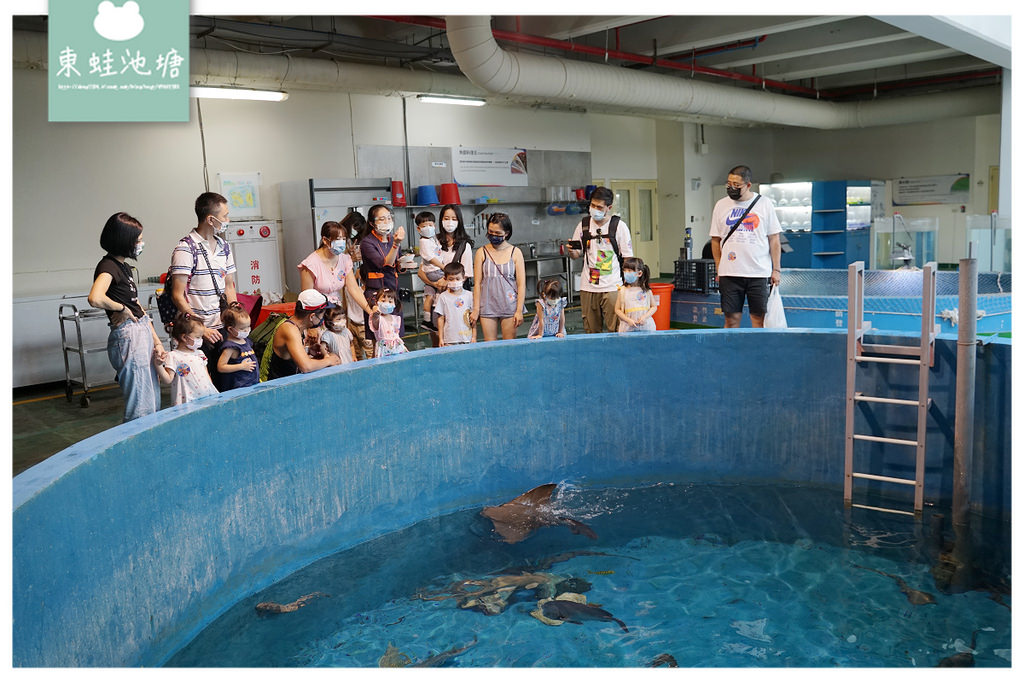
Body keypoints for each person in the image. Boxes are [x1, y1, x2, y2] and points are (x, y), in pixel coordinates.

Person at [88, 212, 165, 421]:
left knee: (151, 399)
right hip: (129, 335)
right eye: (137, 239)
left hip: (140, 331)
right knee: (140, 402)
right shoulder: (108, 266)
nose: (141, 243)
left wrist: (156, 341)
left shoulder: (124, 267)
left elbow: (137, 305)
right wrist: (120, 308)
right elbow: (95, 297)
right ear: (124, 241)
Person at [168, 192, 238, 387]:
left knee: (225, 383)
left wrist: (235, 318)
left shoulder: (224, 246)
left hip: (222, 328)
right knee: (201, 387)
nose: (227, 220)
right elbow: (178, 295)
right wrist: (202, 329)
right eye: (224, 216)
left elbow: (229, 285)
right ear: (210, 219)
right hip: (196, 334)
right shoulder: (185, 248)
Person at [709, 165, 782, 328]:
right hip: (730, 273)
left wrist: (776, 270)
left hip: (758, 272)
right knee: (731, 319)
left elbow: (774, 239)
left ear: (748, 185)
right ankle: (730, 351)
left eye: (736, 185)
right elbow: (715, 239)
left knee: (758, 319)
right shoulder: (721, 205)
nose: (731, 188)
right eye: (729, 183)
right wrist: (719, 267)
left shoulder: (764, 204)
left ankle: (757, 352)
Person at [566, 186, 633, 333]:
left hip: (612, 286)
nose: (594, 209)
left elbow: (628, 258)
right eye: (592, 205)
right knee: (590, 330)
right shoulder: (583, 225)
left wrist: (629, 286)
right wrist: (572, 251)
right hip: (588, 287)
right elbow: (577, 254)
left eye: (599, 207)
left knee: (616, 328)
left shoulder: (619, 227)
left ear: (608, 207)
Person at [298, 220, 376, 323]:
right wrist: (312, 325)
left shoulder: (345, 260)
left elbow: (354, 289)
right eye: (338, 239)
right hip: (317, 317)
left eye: (344, 239)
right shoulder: (310, 264)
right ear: (325, 240)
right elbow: (306, 299)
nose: (342, 242)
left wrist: (369, 311)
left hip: (336, 315)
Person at [420, 204, 474, 347]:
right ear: (441, 220)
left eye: (454, 219)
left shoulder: (464, 245)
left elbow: (467, 273)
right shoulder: (432, 241)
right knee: (437, 338)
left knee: (456, 336)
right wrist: (435, 284)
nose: (450, 222)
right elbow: (422, 271)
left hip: (455, 301)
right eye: (446, 218)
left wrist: (447, 282)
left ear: (459, 221)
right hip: (436, 297)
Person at [471, 213, 526, 341]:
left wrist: (519, 310)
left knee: (509, 345)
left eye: (497, 233)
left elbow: (521, 284)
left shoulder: (515, 252)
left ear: (506, 233)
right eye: (490, 232)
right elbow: (477, 283)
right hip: (487, 305)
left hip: (509, 305)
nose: (493, 236)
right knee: (490, 346)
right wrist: (475, 309)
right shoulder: (481, 252)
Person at [360, 204, 407, 354]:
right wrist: (396, 244)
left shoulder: (393, 239)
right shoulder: (367, 243)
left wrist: (403, 264)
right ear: (372, 223)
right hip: (376, 294)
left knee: (396, 336)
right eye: (382, 218)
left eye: (388, 218)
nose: (387, 221)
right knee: (379, 337)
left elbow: (394, 264)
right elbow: (385, 262)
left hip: (393, 293)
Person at [267, 289, 342, 380]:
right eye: (322, 315)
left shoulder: (295, 325)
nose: (323, 319)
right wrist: (329, 360)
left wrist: (308, 351)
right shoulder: (289, 329)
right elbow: (306, 367)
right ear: (312, 316)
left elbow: (288, 355)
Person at [155, 313, 218, 406]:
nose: (201, 340)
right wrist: (158, 365)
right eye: (198, 337)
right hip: (186, 404)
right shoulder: (173, 356)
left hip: (207, 399)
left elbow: (207, 376)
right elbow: (168, 380)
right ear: (184, 337)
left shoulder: (200, 354)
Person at [340, 212, 374, 360]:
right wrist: (351, 259)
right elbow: (339, 268)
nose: (355, 232)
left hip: (350, 287)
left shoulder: (353, 242)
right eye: (354, 228)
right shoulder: (340, 241)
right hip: (342, 289)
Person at [215, 304, 258, 390]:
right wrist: (241, 366)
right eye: (242, 329)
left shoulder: (246, 340)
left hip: (252, 383)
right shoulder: (230, 347)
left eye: (248, 327)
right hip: (239, 387)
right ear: (230, 329)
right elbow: (221, 367)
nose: (246, 330)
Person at [414, 210, 444, 331]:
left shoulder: (433, 239)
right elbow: (430, 258)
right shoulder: (424, 241)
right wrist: (444, 268)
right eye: (424, 226)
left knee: (429, 296)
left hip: (431, 272)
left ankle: (427, 321)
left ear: (435, 226)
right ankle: (436, 319)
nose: (428, 228)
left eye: (430, 225)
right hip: (435, 271)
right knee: (443, 290)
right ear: (418, 229)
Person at [434, 262, 476, 347]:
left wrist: (474, 337)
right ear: (445, 279)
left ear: (463, 278)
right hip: (449, 340)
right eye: (451, 279)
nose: (454, 281)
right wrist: (441, 338)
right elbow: (441, 319)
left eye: (457, 279)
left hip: (467, 339)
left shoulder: (469, 295)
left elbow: (473, 319)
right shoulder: (443, 297)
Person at [614, 256, 657, 332]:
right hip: (627, 328)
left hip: (646, 327)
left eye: (630, 271)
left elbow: (654, 307)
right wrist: (627, 320)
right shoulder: (622, 290)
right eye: (625, 270)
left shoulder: (646, 290)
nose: (626, 273)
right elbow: (617, 309)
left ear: (639, 273)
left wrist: (645, 317)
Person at [369, 288, 408, 356]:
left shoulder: (396, 318)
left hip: (397, 348)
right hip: (384, 350)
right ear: (377, 302)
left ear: (394, 304)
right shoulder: (378, 318)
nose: (387, 304)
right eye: (383, 301)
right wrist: (375, 313)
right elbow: (375, 323)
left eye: (390, 302)